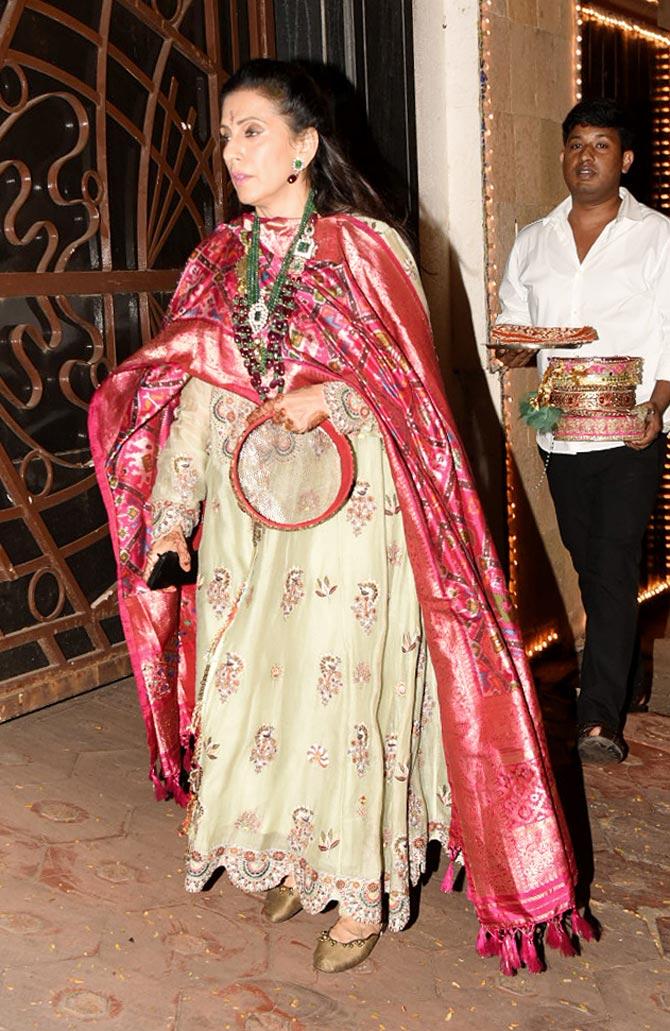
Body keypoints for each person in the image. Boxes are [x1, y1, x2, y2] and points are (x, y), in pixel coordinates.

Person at [89, 59, 586, 975]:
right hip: (247, 522)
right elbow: (195, 392)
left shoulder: (366, 249)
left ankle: (357, 892)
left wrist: (335, 397)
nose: (233, 152)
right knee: (253, 689)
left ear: (305, 145)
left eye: (252, 132)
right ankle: (292, 852)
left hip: (353, 523)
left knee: (339, 695)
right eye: (226, 136)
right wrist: (172, 515)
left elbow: (414, 394)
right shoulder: (219, 258)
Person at [496, 98, 670, 765]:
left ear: (624, 160)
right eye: (575, 144)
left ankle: (599, 716)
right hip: (561, 427)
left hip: (630, 423)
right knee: (590, 561)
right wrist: (515, 346)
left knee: (614, 562)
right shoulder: (534, 240)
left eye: (600, 144)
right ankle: (625, 665)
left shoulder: (656, 235)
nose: (585, 156)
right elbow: (513, 325)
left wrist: (656, 406)